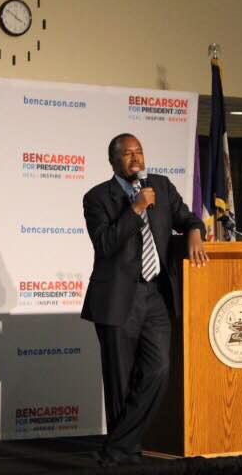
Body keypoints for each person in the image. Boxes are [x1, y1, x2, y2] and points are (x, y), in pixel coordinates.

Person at [81, 133, 207, 466]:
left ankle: (116, 447)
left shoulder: (161, 187)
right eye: (127, 154)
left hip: (156, 295)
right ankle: (127, 450)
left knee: (159, 370)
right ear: (113, 161)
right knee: (120, 382)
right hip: (117, 296)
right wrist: (135, 209)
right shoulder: (97, 197)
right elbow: (105, 244)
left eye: (138, 151)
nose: (135, 158)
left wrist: (195, 231)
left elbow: (188, 217)